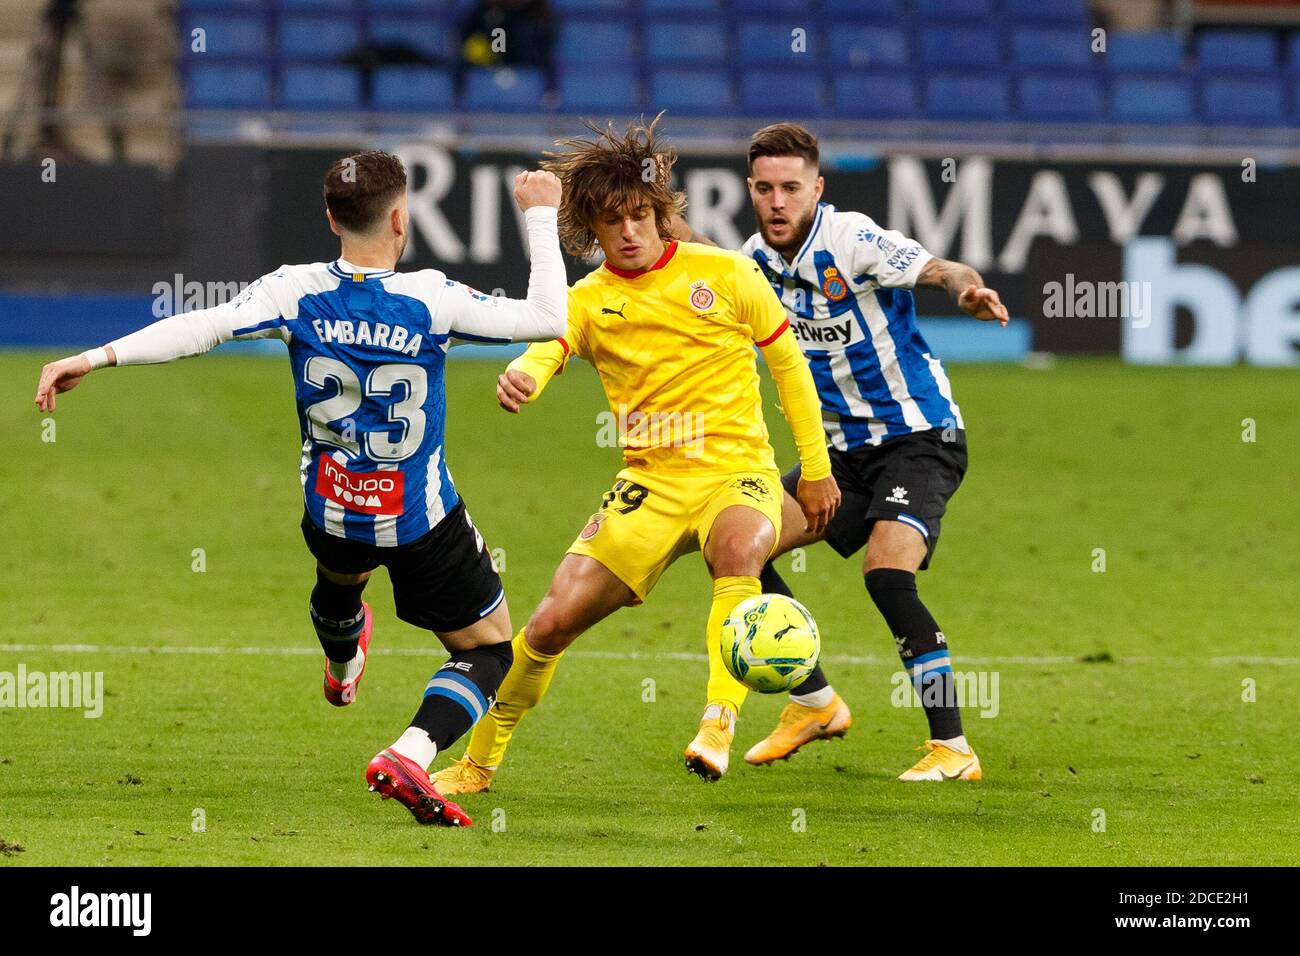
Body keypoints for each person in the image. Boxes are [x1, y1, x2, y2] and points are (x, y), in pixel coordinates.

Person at [33, 151, 568, 823]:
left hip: (331, 506)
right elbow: (550, 318)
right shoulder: (433, 300)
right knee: (490, 649)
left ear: (329, 218)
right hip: (417, 522)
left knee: (343, 579)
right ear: (401, 219)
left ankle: (342, 666)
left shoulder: (295, 289)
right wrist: (541, 214)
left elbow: (199, 328)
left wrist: (92, 357)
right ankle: (410, 751)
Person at [432, 115, 840, 794]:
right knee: (548, 623)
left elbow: (791, 369)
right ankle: (478, 764)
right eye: (610, 221)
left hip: (733, 472)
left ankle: (717, 721)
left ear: (661, 214)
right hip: (647, 486)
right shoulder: (590, 299)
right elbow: (549, 343)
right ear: (592, 230)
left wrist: (817, 468)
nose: (627, 232)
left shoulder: (729, 275)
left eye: (639, 216)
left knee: (739, 554)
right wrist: (527, 377)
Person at [684, 123, 1009, 781]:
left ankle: (953, 747)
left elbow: (940, 268)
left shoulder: (853, 240)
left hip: (919, 439)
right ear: (751, 189)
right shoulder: (755, 260)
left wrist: (967, 290)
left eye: (792, 189)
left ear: (817, 189)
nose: (778, 201)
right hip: (837, 455)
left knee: (887, 573)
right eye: (766, 188)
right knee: (736, 546)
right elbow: (706, 263)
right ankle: (814, 703)